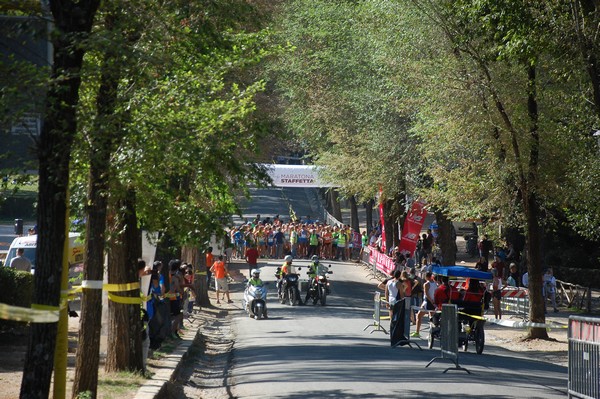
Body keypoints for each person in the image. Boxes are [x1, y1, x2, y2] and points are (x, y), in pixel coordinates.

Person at [413, 272, 438, 338]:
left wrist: (431, 301)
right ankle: (432, 333)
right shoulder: (435, 284)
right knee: (431, 318)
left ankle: (417, 332)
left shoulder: (426, 284)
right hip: (433, 302)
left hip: (427, 302)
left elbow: (426, 294)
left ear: (426, 277)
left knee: (419, 316)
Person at [168, 259, 185, 339]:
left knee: (172, 315)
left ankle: (173, 331)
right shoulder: (175, 277)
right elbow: (178, 287)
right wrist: (182, 292)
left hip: (167, 298)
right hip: (174, 298)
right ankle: (173, 332)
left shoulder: (167, 274)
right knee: (177, 315)